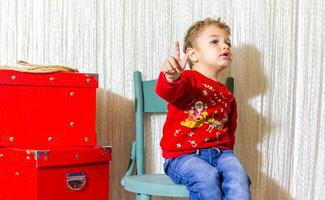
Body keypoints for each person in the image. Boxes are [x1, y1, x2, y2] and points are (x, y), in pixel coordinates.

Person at [155, 18, 251, 200]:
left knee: (240, 177)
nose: (225, 46)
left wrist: (229, 159)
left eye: (227, 42)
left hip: (221, 154)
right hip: (182, 157)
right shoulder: (187, 80)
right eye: (215, 41)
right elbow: (166, 91)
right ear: (193, 55)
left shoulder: (227, 94)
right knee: (206, 177)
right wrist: (171, 77)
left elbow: (229, 131)